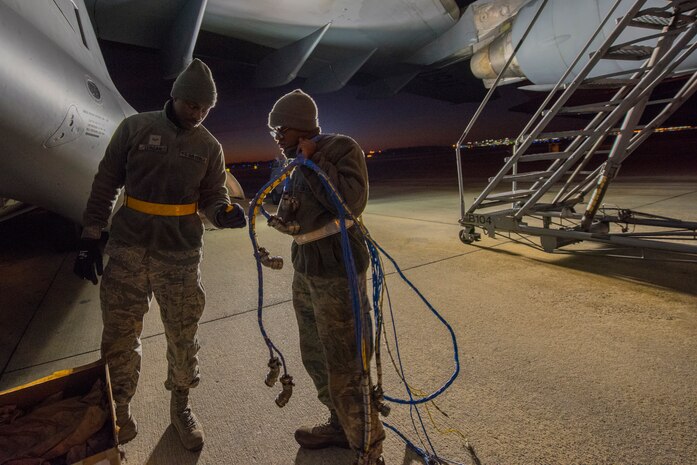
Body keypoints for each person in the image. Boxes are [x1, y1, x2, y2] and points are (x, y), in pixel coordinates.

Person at [73, 58, 247, 451]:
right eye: (192, 106)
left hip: (180, 254)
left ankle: (181, 406)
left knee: (183, 336)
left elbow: (214, 196)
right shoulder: (136, 128)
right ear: (176, 97)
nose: (198, 114)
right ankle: (118, 409)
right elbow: (106, 181)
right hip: (128, 247)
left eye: (206, 109)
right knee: (119, 335)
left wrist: (223, 212)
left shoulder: (208, 146)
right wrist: (90, 234)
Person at [267, 89, 385, 465]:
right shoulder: (294, 161)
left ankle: (368, 448)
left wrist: (315, 159)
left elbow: (349, 202)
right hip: (307, 268)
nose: (276, 139)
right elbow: (304, 210)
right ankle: (338, 423)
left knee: (347, 361)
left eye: (279, 131)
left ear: (298, 127)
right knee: (315, 352)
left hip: (338, 268)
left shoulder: (339, 148)